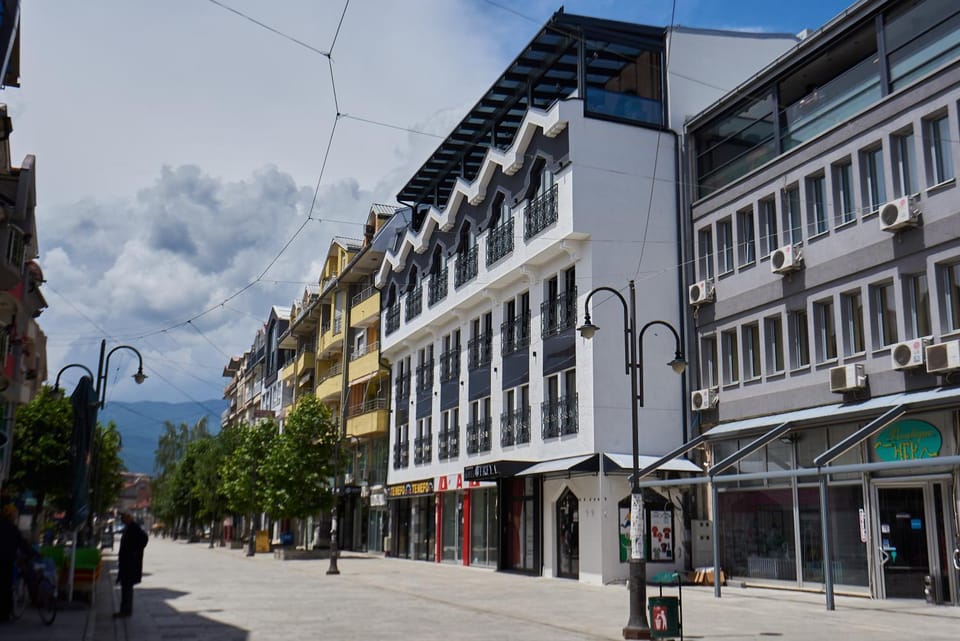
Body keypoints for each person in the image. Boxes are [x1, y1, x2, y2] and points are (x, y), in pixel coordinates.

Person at [0, 504, 32, 623]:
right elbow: (22, 544)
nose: (15, 517)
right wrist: (32, 553)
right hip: (6, 561)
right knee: (5, 587)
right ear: (11, 515)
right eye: (15, 515)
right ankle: (4, 614)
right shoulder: (12, 528)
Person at [115, 511, 148, 618]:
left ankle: (126, 610)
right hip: (126, 563)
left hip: (130, 563)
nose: (122, 520)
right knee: (126, 587)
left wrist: (135, 551)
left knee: (127, 587)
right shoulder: (129, 527)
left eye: (123, 518)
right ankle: (124, 609)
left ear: (129, 518)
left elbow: (144, 539)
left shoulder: (134, 528)